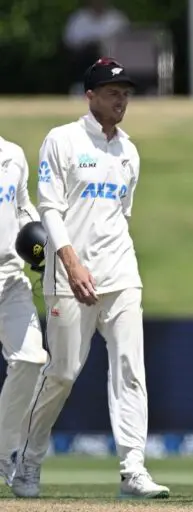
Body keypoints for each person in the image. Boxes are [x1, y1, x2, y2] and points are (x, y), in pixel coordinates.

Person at [11, 58, 170, 500]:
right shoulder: (61, 140)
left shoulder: (129, 151)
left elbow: (122, 216)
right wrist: (72, 263)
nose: (121, 100)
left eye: (125, 93)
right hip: (69, 277)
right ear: (91, 95)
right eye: (112, 92)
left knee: (130, 370)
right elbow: (51, 209)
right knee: (61, 373)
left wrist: (104, 264)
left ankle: (133, 469)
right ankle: (26, 460)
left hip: (121, 274)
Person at [0, 138, 48, 485]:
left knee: (31, 358)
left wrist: (37, 237)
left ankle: (2, 456)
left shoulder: (12, 154)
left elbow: (22, 205)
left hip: (10, 276)